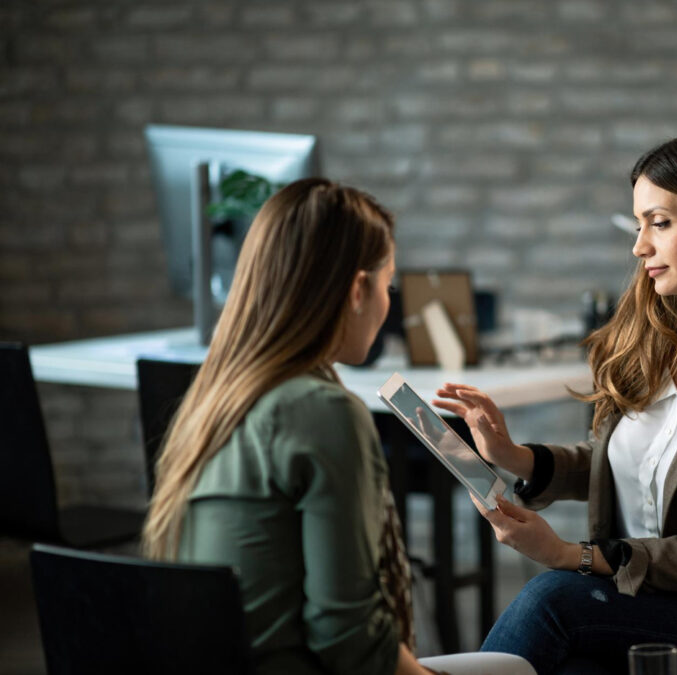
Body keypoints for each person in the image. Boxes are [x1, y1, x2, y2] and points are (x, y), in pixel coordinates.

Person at [434, 127, 677, 674]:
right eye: (638, 225)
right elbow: (632, 467)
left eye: (660, 222)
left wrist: (567, 555)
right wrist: (513, 457)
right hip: (633, 597)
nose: (639, 246)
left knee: (551, 598)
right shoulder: (657, 335)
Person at [142, 179, 533, 675]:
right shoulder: (324, 412)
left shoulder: (211, 402)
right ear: (356, 289)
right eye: (388, 285)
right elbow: (349, 641)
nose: (388, 304)